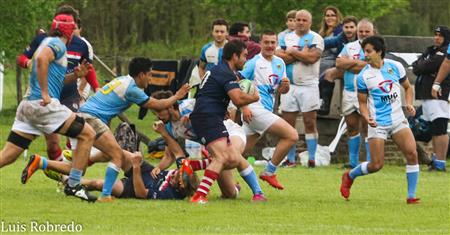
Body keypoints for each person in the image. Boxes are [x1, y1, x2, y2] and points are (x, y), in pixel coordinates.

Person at [0, 14, 98, 202]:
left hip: (27, 106)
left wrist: (76, 75)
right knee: (88, 134)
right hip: (43, 106)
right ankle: (74, 185)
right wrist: (45, 93)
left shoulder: (47, 42)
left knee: (7, 156)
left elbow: (57, 80)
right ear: (69, 32)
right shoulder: (58, 44)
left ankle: (71, 182)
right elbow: (41, 60)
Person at [340, 36, 420, 204]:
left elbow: (407, 88)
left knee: (412, 154)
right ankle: (349, 176)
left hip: (398, 120)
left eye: (368, 51)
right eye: (364, 51)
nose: (365, 55)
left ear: (379, 51)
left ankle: (411, 197)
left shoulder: (396, 67)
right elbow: (362, 103)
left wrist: (409, 104)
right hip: (378, 123)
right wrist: (367, 117)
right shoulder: (363, 76)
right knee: (376, 165)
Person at [16, 5, 99, 161]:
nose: (68, 26)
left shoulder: (82, 45)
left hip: (69, 95)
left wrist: (96, 87)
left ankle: (73, 179)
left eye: (70, 22)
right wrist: (29, 63)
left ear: (75, 24)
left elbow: (89, 69)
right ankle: (64, 177)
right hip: (45, 96)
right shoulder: (43, 40)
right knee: (53, 145)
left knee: (78, 135)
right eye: (63, 21)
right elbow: (21, 58)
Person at [189, 40, 266, 204]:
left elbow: (207, 93)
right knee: (223, 156)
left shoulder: (219, 70)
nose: (246, 60)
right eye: (244, 56)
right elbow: (238, 99)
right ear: (234, 56)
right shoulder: (225, 72)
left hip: (208, 116)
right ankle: (199, 195)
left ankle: (258, 193)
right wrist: (254, 96)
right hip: (208, 117)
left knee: (232, 157)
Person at [150, 91, 244, 199]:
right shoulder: (168, 127)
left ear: (170, 106)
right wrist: (158, 167)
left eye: (159, 110)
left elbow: (213, 106)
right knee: (229, 195)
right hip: (214, 149)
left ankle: (258, 194)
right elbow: (170, 155)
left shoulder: (189, 106)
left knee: (229, 158)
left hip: (229, 134)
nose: (157, 116)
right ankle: (234, 187)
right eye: (155, 112)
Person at [239, 30, 297, 189]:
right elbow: (237, 84)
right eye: (267, 42)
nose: (270, 46)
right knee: (292, 135)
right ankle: (269, 172)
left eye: (273, 42)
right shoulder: (253, 62)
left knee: (237, 153)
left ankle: (213, 172)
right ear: (260, 44)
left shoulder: (280, 62)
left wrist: (285, 87)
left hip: (264, 110)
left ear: (277, 43)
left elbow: (280, 90)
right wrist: (243, 107)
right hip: (254, 109)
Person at [23, 151, 200, 200]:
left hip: (135, 186)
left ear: (181, 185)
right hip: (145, 171)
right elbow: (174, 152)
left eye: (179, 172)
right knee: (117, 152)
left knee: (96, 183)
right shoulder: (179, 177)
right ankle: (83, 159)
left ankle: (58, 173)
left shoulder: (170, 195)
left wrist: (136, 167)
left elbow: (141, 193)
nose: (176, 171)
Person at [275, 10, 324, 167]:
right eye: (298, 19)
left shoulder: (316, 38)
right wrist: (300, 53)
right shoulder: (285, 37)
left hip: (309, 85)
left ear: (310, 22)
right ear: (294, 21)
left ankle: (311, 159)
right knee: (288, 123)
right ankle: (290, 159)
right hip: (290, 85)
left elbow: (311, 58)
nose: (301, 22)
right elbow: (278, 57)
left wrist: (292, 52)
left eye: (304, 20)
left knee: (310, 121)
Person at [332, 19, 375, 168]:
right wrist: (360, 64)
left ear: (372, 32)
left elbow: (373, 65)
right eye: (361, 31)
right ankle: (353, 161)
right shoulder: (349, 46)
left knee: (368, 126)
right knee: (351, 126)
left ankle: (370, 161)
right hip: (349, 92)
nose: (363, 34)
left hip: (367, 92)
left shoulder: (376, 47)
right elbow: (338, 63)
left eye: (366, 31)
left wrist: (350, 64)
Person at [412, 26, 449, 171]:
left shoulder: (445, 51)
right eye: (435, 35)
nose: (437, 38)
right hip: (426, 95)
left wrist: (423, 65)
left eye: (440, 35)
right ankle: (435, 160)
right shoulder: (431, 50)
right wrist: (423, 65)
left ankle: (440, 163)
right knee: (434, 130)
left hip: (439, 95)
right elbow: (417, 66)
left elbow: (425, 66)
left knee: (440, 128)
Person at [318, 15, 358, 115]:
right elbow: (324, 43)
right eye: (346, 27)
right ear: (342, 28)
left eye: (351, 27)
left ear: (356, 28)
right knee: (328, 73)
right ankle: (325, 106)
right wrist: (311, 43)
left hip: (361, 69)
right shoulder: (340, 38)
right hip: (345, 68)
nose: (349, 30)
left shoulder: (362, 37)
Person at [318, 6, 343, 74]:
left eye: (333, 15)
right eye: (327, 16)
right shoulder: (322, 32)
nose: (330, 18)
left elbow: (336, 49)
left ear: (337, 17)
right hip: (320, 58)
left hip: (332, 61)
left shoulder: (340, 31)